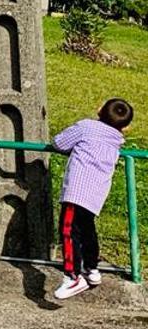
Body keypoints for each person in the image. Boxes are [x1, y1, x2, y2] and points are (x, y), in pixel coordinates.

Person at [52, 98, 134, 300]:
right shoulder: (117, 140)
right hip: (96, 195)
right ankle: (91, 267)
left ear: (99, 110)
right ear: (127, 126)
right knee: (87, 230)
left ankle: (72, 276)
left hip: (77, 190)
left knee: (68, 230)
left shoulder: (87, 127)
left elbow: (59, 142)